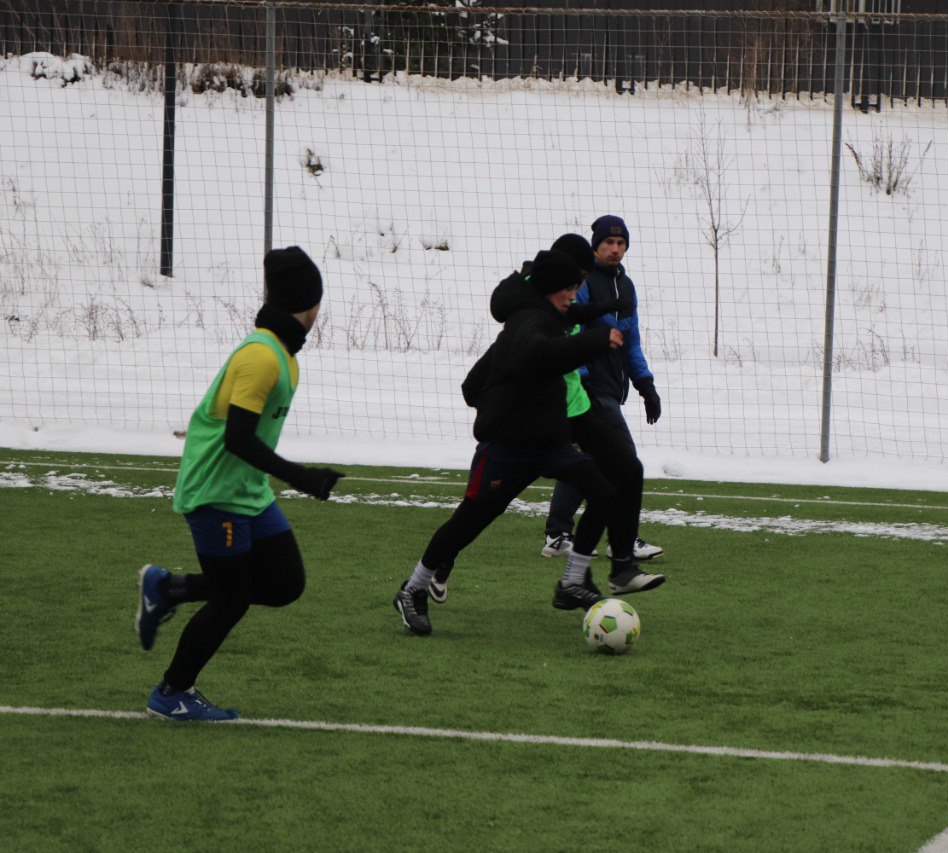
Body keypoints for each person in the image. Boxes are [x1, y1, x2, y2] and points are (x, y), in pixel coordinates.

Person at [136, 246, 345, 722]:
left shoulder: (283, 355)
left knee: (285, 582)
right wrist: (303, 478)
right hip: (216, 490)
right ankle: (171, 693)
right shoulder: (262, 357)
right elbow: (236, 439)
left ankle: (168, 589)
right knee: (232, 599)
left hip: (246, 490)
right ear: (311, 303)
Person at [393, 248, 624, 636]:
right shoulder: (530, 323)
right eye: (571, 287)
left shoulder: (546, 316)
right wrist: (597, 341)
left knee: (602, 492)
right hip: (508, 448)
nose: (575, 295)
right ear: (553, 288)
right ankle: (413, 587)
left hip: (549, 443)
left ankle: (572, 581)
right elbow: (537, 355)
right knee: (471, 520)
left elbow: (476, 384)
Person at [543, 215, 664, 563]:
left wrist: (645, 384)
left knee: (586, 459)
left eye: (621, 243)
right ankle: (621, 541)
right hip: (589, 387)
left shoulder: (625, 286)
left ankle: (557, 534)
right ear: (595, 244)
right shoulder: (582, 281)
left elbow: (632, 341)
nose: (615, 249)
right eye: (609, 243)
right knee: (624, 460)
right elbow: (572, 330)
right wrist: (579, 377)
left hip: (610, 387)